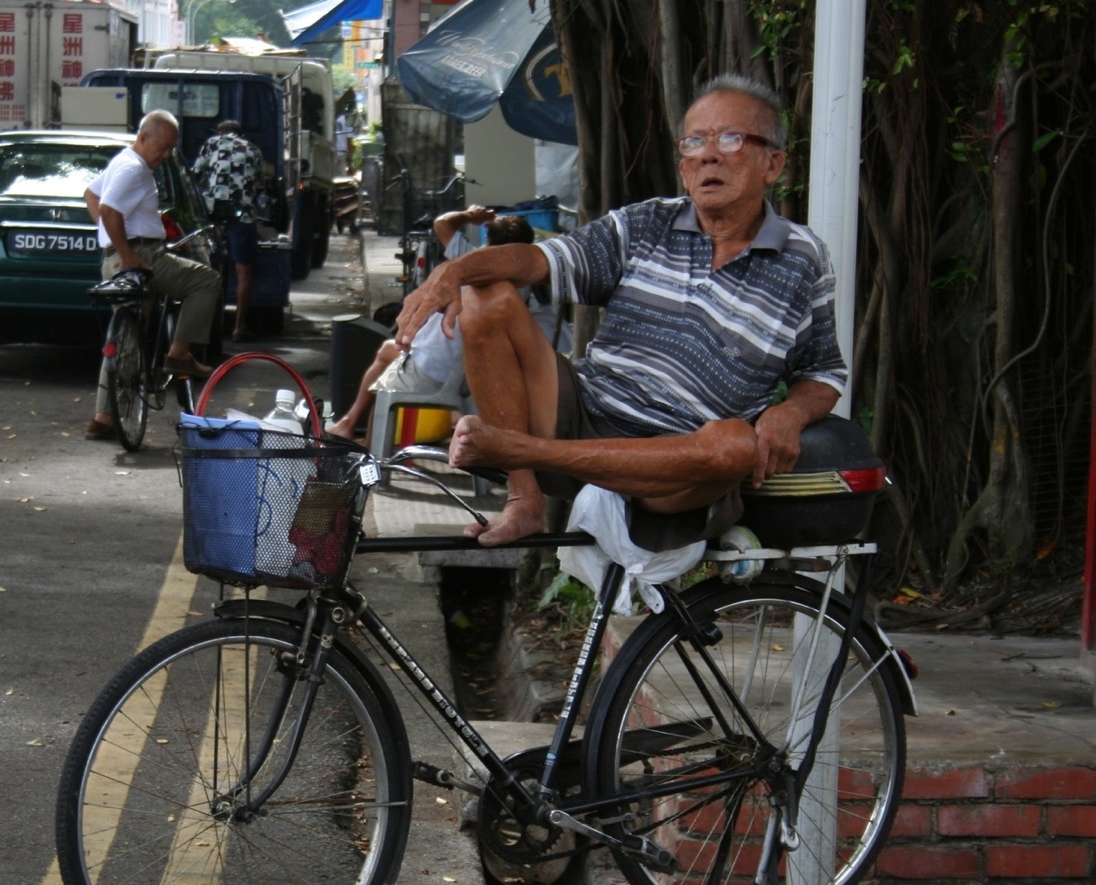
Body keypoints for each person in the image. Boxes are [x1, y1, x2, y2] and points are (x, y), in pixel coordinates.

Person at [395, 74, 846, 548]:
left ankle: (515, 450)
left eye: (730, 139)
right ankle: (524, 499)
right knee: (487, 293)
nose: (708, 155)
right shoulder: (646, 223)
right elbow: (540, 260)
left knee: (735, 445)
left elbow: (823, 372)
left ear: (772, 164)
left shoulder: (802, 259)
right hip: (584, 414)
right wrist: (455, 271)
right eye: (694, 142)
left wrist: (791, 413)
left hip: (675, 466)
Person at [327, 207, 532, 441]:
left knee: (385, 391)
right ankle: (348, 423)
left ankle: (372, 461)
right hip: (468, 373)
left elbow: (442, 224)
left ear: (488, 241)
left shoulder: (471, 262)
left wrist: (470, 216)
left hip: (435, 370)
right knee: (386, 351)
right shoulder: (519, 290)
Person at [84, 110, 221, 441]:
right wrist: (129, 253)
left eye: (171, 148)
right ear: (143, 137)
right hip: (140, 257)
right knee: (206, 281)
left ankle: (103, 416)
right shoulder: (134, 169)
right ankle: (179, 354)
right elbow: (107, 209)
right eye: (163, 147)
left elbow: (91, 195)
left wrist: (114, 241)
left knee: (124, 337)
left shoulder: (123, 161)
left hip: (115, 258)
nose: (167, 155)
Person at [191, 119, 271, 343]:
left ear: (220, 132)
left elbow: (195, 175)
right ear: (241, 133)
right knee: (244, 272)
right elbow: (259, 186)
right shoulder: (253, 149)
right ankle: (239, 327)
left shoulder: (212, 143)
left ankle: (209, 326)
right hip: (242, 214)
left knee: (213, 268)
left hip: (214, 210)